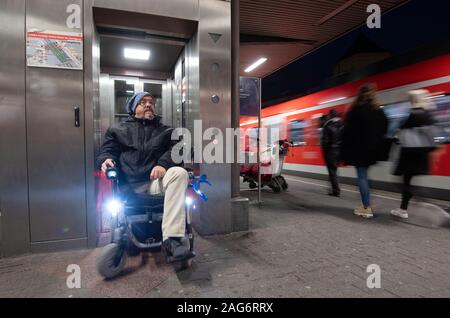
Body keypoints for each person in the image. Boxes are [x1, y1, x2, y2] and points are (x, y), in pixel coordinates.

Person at [97, 92, 190, 261]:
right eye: (142, 102)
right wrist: (106, 159)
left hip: (155, 183)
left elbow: (179, 149)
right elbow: (107, 150)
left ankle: (172, 239)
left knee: (180, 173)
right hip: (129, 184)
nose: (148, 104)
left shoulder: (166, 131)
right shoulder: (117, 130)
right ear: (133, 108)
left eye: (151, 102)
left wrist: (163, 164)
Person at [341, 83, 388, 218]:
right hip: (372, 149)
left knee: (362, 176)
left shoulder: (355, 110)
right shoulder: (378, 110)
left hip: (359, 149)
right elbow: (385, 129)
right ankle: (366, 203)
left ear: (359, 95)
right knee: (365, 176)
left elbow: (347, 131)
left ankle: (366, 208)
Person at [390, 89, 436, 219]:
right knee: (407, 182)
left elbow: (401, 133)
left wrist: (395, 138)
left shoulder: (413, 113)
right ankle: (403, 208)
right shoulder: (427, 114)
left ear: (413, 100)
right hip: (421, 154)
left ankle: (418, 202)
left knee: (403, 182)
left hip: (410, 153)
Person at [321, 109, 343, 196]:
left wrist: (325, 151)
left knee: (332, 171)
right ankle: (333, 187)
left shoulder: (328, 125)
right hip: (339, 151)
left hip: (330, 151)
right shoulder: (342, 125)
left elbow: (325, 141)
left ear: (330, 116)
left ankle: (336, 190)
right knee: (334, 170)